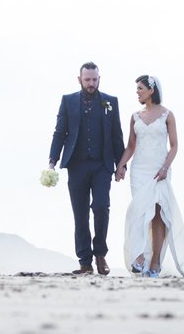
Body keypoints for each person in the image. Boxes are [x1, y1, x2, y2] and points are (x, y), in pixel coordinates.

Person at [114, 75, 184, 277]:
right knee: (139, 211)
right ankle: (139, 256)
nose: (137, 92)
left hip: (159, 169)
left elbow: (175, 145)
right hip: (139, 170)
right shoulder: (135, 116)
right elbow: (131, 145)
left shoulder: (167, 115)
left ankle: (155, 263)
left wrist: (165, 168)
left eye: (140, 88)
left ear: (151, 90)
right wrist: (121, 165)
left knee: (158, 216)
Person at [48, 62, 126, 275]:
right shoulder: (68, 101)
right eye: (87, 80)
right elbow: (59, 133)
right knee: (80, 214)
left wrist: (121, 165)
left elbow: (116, 135)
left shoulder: (110, 102)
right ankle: (85, 262)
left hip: (102, 165)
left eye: (94, 79)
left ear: (99, 78)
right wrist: (52, 162)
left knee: (101, 207)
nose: (91, 83)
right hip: (76, 165)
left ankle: (100, 254)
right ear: (79, 79)